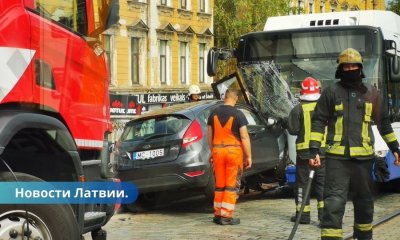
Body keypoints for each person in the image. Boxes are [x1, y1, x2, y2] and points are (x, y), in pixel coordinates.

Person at [308, 48, 400, 240]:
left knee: (365, 203)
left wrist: (396, 149)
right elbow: (318, 121)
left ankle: (364, 237)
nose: (350, 69)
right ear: (340, 69)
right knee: (333, 203)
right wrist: (314, 149)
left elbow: (384, 124)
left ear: (360, 68)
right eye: (346, 66)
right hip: (336, 160)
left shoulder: (372, 93)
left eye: (354, 66)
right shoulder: (331, 92)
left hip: (364, 160)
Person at [207, 88, 252, 225]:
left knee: (220, 184)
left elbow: (209, 137)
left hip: (217, 152)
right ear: (236, 98)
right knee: (231, 185)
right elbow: (244, 136)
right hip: (233, 152)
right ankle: (226, 216)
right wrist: (248, 156)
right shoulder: (238, 114)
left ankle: (218, 214)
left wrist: (212, 152)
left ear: (225, 97)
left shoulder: (213, 114)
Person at [287, 77, 326, 225]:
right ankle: (324, 217)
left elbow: (293, 130)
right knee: (323, 185)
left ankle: (303, 216)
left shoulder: (297, 109)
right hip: (322, 153)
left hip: (304, 155)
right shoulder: (324, 107)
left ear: (302, 91)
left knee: (302, 185)